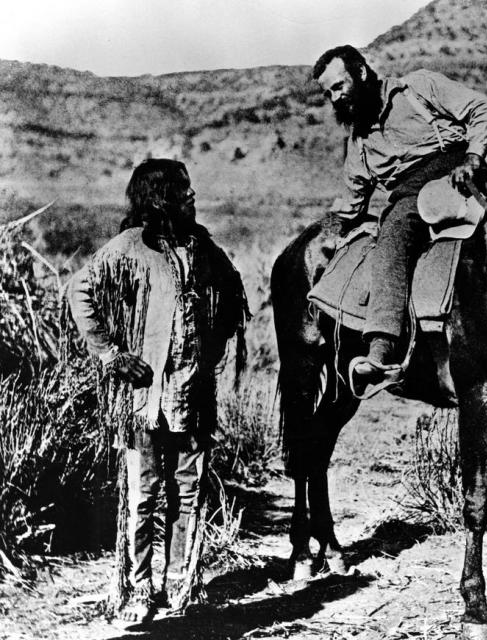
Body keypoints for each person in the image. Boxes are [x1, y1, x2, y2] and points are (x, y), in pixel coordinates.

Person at [68, 159, 249, 625]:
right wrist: (111, 355)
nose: (192, 196)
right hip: (144, 399)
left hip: (193, 395)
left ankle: (181, 587)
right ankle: (139, 589)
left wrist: (211, 348)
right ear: (159, 196)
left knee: (189, 491)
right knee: (144, 494)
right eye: (183, 189)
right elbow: (80, 291)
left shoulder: (204, 248)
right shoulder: (130, 247)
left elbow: (232, 294)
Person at [312, 45, 487, 385]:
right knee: (393, 230)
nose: (335, 98)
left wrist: (473, 158)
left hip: (459, 173)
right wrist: (333, 226)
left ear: (361, 73)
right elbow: (353, 199)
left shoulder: (419, 88)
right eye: (328, 94)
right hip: (410, 196)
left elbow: (484, 109)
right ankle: (383, 349)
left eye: (339, 86)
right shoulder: (358, 141)